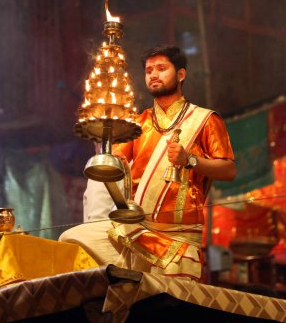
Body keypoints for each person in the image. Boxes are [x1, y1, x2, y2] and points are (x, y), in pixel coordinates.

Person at [59, 44, 236, 281]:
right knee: (71, 240)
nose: (153, 74)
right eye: (149, 70)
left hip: (177, 239)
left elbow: (228, 170)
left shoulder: (205, 119)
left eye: (161, 68)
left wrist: (189, 159)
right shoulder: (137, 123)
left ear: (181, 74)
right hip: (135, 231)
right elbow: (117, 165)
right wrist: (104, 146)